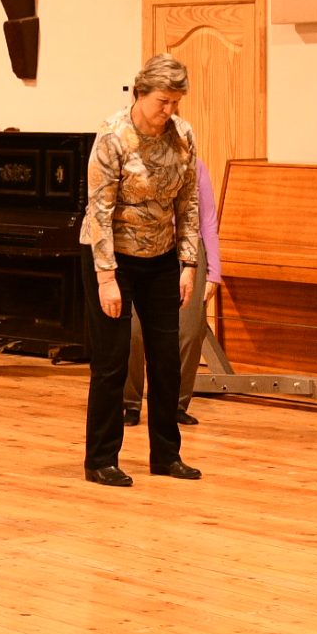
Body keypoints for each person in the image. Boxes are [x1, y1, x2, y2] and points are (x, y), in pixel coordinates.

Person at [80, 57, 203, 486]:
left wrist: (188, 263)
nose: (169, 110)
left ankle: (166, 455)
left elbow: (188, 203)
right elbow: (99, 210)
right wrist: (106, 278)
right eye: (162, 101)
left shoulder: (183, 135)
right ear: (140, 93)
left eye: (176, 102)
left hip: (162, 257)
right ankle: (101, 459)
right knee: (112, 361)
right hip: (113, 257)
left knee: (166, 359)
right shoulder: (112, 137)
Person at [126, 155, 219, 428]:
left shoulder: (196, 166)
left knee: (189, 331)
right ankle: (130, 403)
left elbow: (208, 222)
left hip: (188, 252)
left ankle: (176, 405)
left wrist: (214, 271)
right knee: (132, 331)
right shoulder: (135, 163)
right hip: (143, 249)